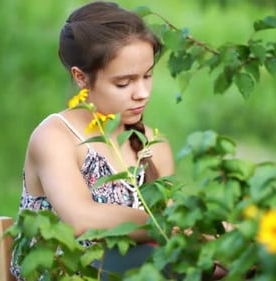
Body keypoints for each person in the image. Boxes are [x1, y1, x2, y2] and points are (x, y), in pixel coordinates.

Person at [9, 1, 174, 280]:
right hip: (67, 273)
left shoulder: (153, 144)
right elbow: (82, 220)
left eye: (147, 76)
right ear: (81, 78)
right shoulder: (55, 137)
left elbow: (176, 226)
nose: (142, 93)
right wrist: (165, 226)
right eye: (124, 83)